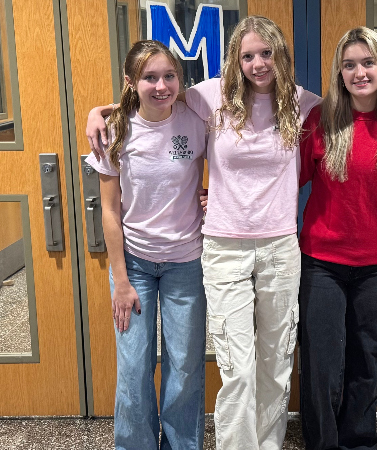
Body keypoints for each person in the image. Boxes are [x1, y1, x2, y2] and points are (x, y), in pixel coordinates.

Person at [86, 16, 320, 450]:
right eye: (247, 55)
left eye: (266, 53)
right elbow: (150, 102)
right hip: (205, 251)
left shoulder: (300, 102)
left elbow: (354, 102)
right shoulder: (211, 97)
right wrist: (97, 112)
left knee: (260, 364)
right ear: (235, 59)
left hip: (259, 249)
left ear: (280, 55)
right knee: (226, 367)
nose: (258, 63)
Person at [296, 26, 377, 450]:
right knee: (322, 363)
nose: (359, 72)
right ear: (340, 72)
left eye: (368, 63)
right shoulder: (321, 120)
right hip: (323, 262)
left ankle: (358, 441)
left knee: (367, 358)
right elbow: (285, 179)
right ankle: (322, 443)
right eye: (349, 65)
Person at [85, 40, 208, 450]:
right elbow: (109, 211)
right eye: (149, 77)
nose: (161, 86)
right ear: (131, 82)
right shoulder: (116, 130)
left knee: (185, 367)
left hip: (186, 263)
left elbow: (232, 160)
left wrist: (215, 197)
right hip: (133, 265)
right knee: (134, 367)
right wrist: (120, 281)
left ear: (180, 79)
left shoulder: (196, 120)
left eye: (169, 76)